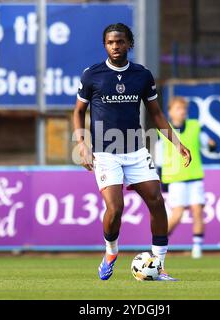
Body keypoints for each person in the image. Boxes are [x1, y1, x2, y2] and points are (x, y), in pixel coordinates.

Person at [73, 23, 191, 281]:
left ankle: (157, 265)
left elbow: (156, 114)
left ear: (129, 44)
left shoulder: (142, 75)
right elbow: (79, 111)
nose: (115, 46)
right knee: (115, 209)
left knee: (157, 202)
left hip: (136, 150)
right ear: (105, 45)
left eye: (120, 42)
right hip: (105, 153)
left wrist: (177, 143)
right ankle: (111, 252)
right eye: (110, 43)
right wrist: (81, 142)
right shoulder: (92, 75)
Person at [155, 96, 216, 259]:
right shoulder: (164, 131)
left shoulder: (195, 126)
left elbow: (207, 145)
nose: (182, 112)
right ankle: (159, 243)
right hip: (175, 179)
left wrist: (212, 145)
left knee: (197, 211)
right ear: (170, 112)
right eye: (178, 109)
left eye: (184, 109)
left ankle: (197, 249)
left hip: (194, 176)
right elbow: (159, 158)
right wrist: (161, 179)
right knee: (177, 214)